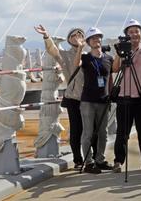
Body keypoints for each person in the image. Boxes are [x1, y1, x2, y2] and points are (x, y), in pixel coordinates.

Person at [34, 25, 95, 170]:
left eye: (80, 34)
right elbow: (52, 51)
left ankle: (91, 158)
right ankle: (78, 159)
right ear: (69, 40)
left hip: (90, 97)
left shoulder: (90, 55)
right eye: (73, 35)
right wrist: (46, 36)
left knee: (91, 129)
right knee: (76, 130)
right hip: (74, 98)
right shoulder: (66, 56)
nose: (77, 36)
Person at [110, 0, 141, 173]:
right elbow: (115, 69)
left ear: (140, 33)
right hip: (124, 97)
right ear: (126, 34)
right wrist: (119, 53)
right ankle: (118, 161)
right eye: (131, 32)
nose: (134, 34)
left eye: (137, 31)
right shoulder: (122, 51)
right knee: (122, 133)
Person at [74, 27, 114, 174]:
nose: (96, 40)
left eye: (98, 37)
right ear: (89, 42)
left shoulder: (108, 58)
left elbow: (115, 69)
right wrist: (79, 47)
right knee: (88, 133)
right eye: (93, 38)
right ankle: (89, 163)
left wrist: (122, 53)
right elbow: (76, 64)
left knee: (103, 132)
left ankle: (100, 159)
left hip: (104, 100)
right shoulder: (85, 57)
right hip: (88, 101)